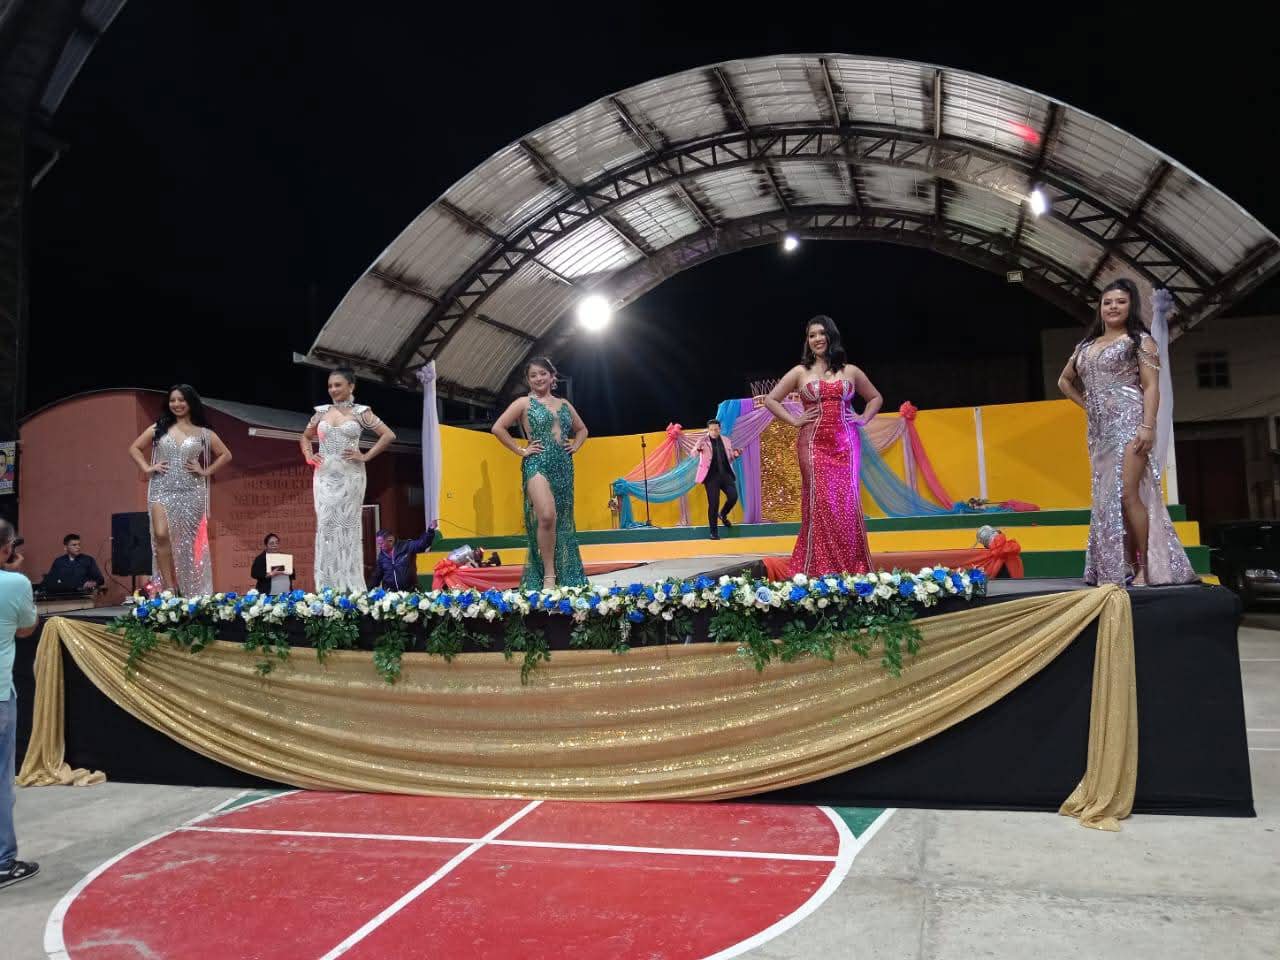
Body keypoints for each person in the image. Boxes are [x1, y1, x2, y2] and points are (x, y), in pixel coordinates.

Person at [1057, 278, 1196, 586]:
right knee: (1107, 499)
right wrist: (1087, 405)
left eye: (1120, 302)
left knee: (1128, 494)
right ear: (1099, 307)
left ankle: (1145, 567)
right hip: (1099, 433)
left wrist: (1148, 427)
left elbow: (1151, 386)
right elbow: (1064, 381)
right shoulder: (1086, 346)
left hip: (1130, 424)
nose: (1113, 307)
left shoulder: (1140, 341)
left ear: (1131, 306)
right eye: (1107, 302)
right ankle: (1118, 565)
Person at [763, 315, 882, 576]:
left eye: (821, 333)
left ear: (831, 336)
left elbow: (875, 397)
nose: (817, 339)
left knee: (847, 504)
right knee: (821, 502)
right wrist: (795, 420)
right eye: (811, 335)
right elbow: (771, 400)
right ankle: (819, 568)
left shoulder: (850, 371)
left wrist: (863, 418)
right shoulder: (800, 372)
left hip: (847, 445)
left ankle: (851, 566)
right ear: (807, 341)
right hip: (813, 446)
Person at [491, 356, 588, 590]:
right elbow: (498, 428)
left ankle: (563, 573)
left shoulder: (564, 404)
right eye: (533, 375)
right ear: (528, 380)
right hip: (537, 462)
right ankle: (549, 575)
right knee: (546, 515)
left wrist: (575, 446)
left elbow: (582, 429)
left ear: (552, 376)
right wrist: (521, 450)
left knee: (561, 520)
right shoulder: (523, 403)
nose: (538, 378)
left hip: (563, 465)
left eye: (543, 373)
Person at [127, 385, 232, 597]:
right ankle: (168, 587)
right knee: (160, 534)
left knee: (187, 544)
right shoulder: (159, 428)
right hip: (161, 488)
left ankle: (190, 591)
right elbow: (134, 448)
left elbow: (226, 455)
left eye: (181, 400)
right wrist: (147, 467)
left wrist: (205, 471)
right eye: (173, 400)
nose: (176, 404)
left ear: (190, 402)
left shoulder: (204, 433)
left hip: (192, 491)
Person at [300, 367, 396, 593]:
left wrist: (366, 456)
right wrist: (308, 455)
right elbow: (305, 437)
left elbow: (388, 435)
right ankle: (327, 585)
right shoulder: (321, 412)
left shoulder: (361, 412)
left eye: (338, 385)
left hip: (350, 475)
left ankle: (350, 585)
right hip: (324, 475)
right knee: (326, 525)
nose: (333, 389)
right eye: (330, 386)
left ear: (351, 386)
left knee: (347, 525)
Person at [0, 519, 39, 889]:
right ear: (7, 548)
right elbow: (26, 628)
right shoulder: (15, 583)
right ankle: (2, 862)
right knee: (1, 781)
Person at [694, 419, 741, 540]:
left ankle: (723, 514)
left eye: (716, 429)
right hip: (711, 477)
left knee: (733, 497)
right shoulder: (703, 441)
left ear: (719, 429)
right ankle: (713, 532)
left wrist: (735, 455)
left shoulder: (726, 440)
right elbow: (693, 454)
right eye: (711, 430)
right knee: (714, 504)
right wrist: (698, 446)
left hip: (725, 475)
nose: (714, 432)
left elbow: (729, 459)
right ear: (708, 430)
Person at [369, 524, 439, 591]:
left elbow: (422, 544)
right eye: (378, 544)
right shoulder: (381, 557)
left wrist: (430, 531)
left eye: (381, 543)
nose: (379, 546)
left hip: (409, 592)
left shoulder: (406, 546)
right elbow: (377, 576)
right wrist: (368, 591)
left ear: (390, 540)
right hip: (390, 594)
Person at [39, 533, 105, 594]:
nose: (78, 547)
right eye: (74, 545)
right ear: (65, 547)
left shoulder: (88, 560)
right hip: (63, 595)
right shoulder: (59, 561)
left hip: (83, 595)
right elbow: (50, 580)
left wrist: (93, 583)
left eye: (79, 544)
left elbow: (100, 579)